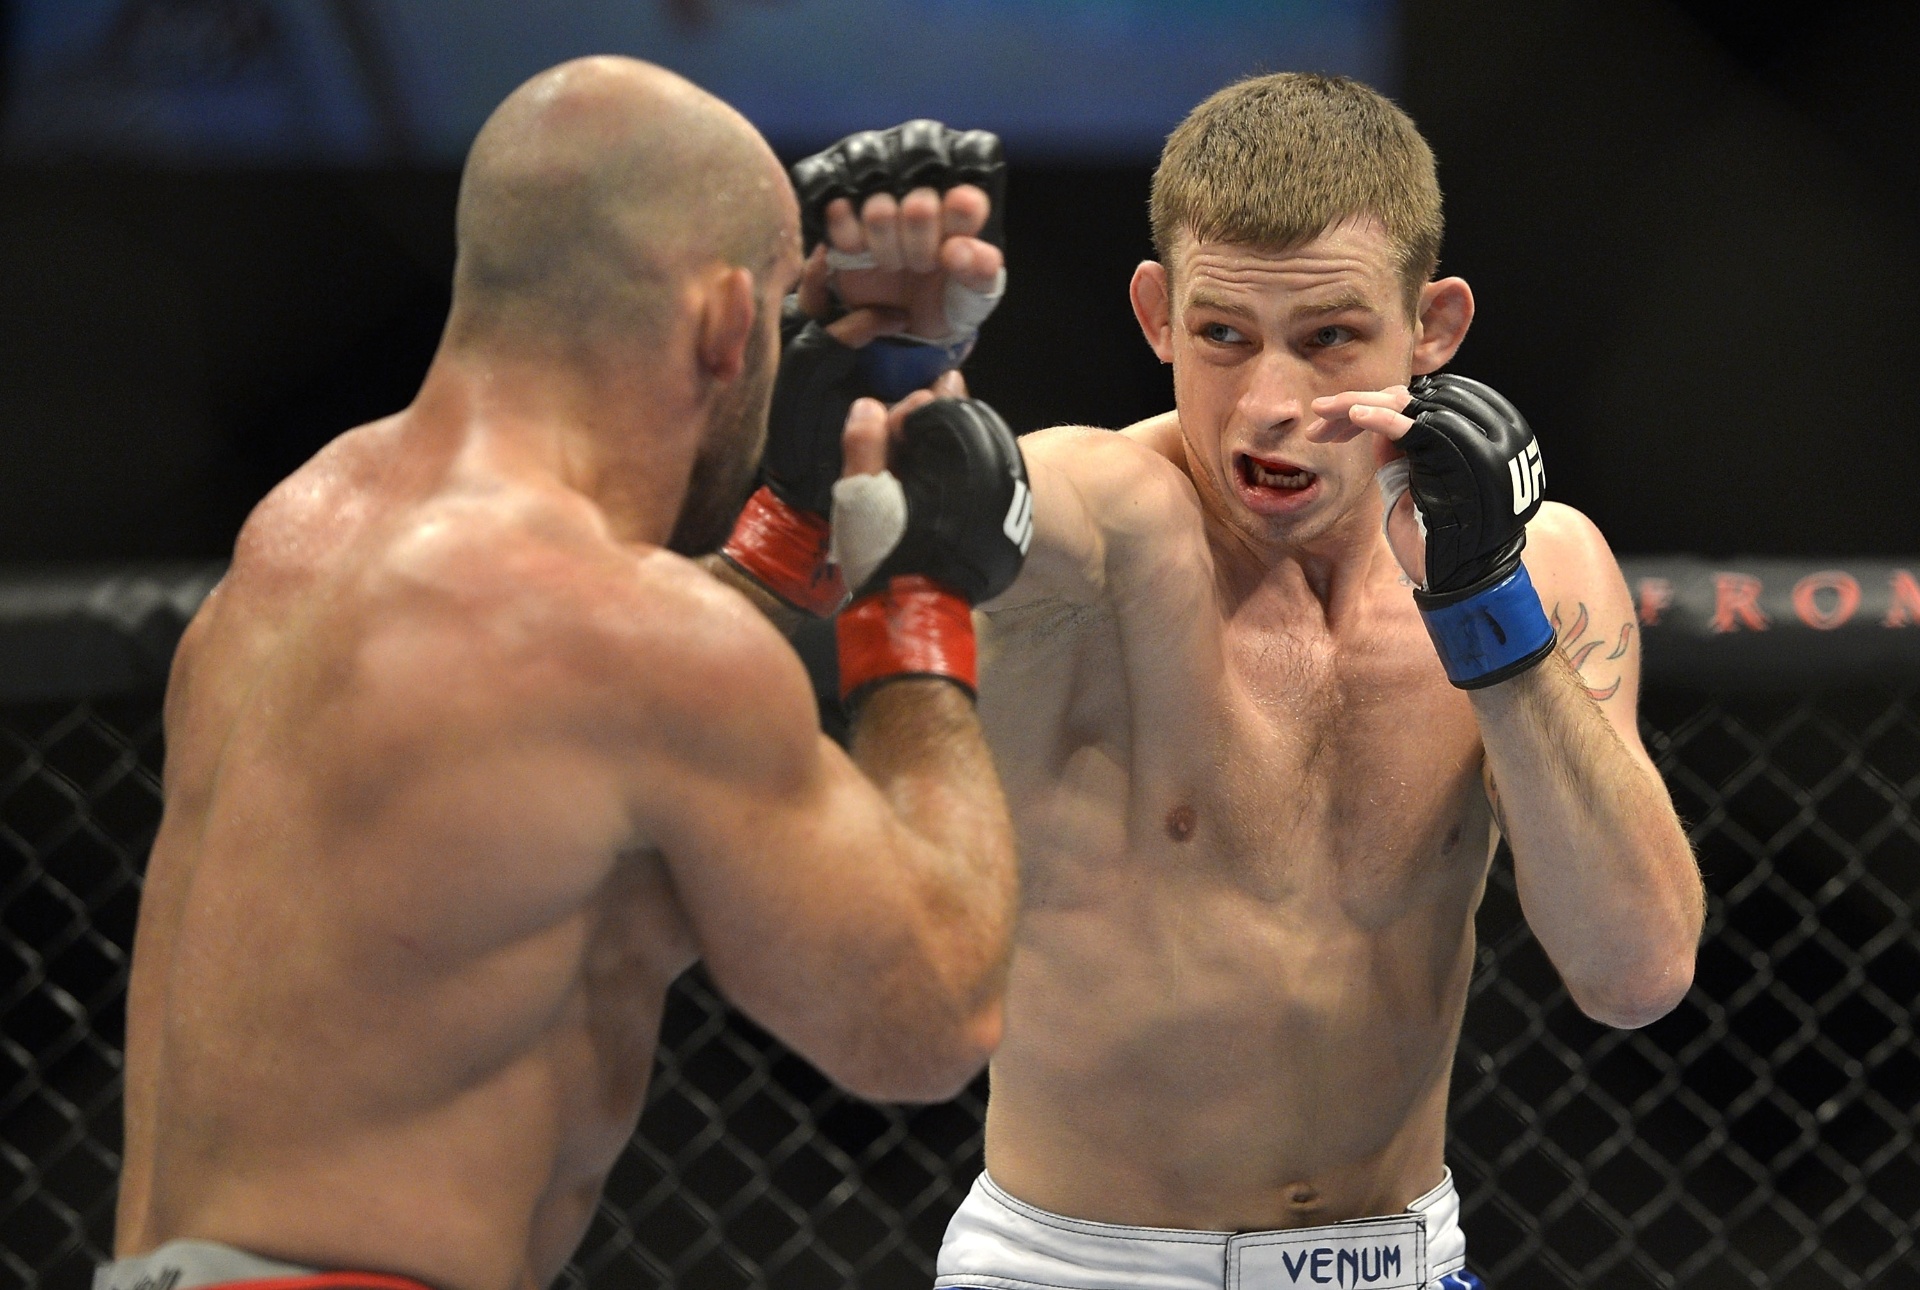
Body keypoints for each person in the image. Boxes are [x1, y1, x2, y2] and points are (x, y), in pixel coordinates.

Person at [105, 57, 1026, 1290]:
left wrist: (789, 533)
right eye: (773, 312)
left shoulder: (301, 540)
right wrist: (915, 606)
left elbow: (597, 801)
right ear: (723, 322)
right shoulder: (614, 639)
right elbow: (927, 1018)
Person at [804, 74, 1707, 1289]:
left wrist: (1486, 611)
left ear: (1431, 328)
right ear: (1157, 313)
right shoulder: (1112, 520)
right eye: (1225, 335)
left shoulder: (1544, 565)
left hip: (1406, 1262)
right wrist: (902, 370)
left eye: (1330, 337)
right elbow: (954, 502)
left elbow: (1637, 974)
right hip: (1083, 1270)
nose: (1273, 406)